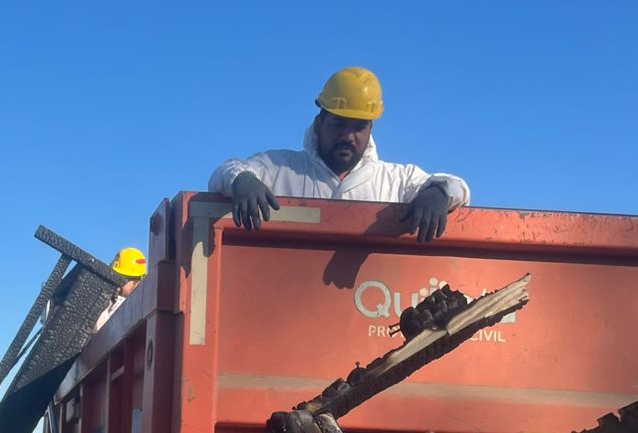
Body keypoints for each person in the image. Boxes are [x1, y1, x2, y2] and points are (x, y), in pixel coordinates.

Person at [208, 66, 469, 240]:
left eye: (359, 126)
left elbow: (457, 187)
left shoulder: (396, 180)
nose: (348, 135)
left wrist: (438, 192)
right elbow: (226, 171)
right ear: (320, 121)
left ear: (370, 129)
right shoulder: (280, 168)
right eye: (339, 123)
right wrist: (241, 179)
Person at [95, 246, 147, 331]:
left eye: (123, 278)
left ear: (137, 283)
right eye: (115, 276)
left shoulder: (134, 308)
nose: (117, 283)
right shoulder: (109, 300)